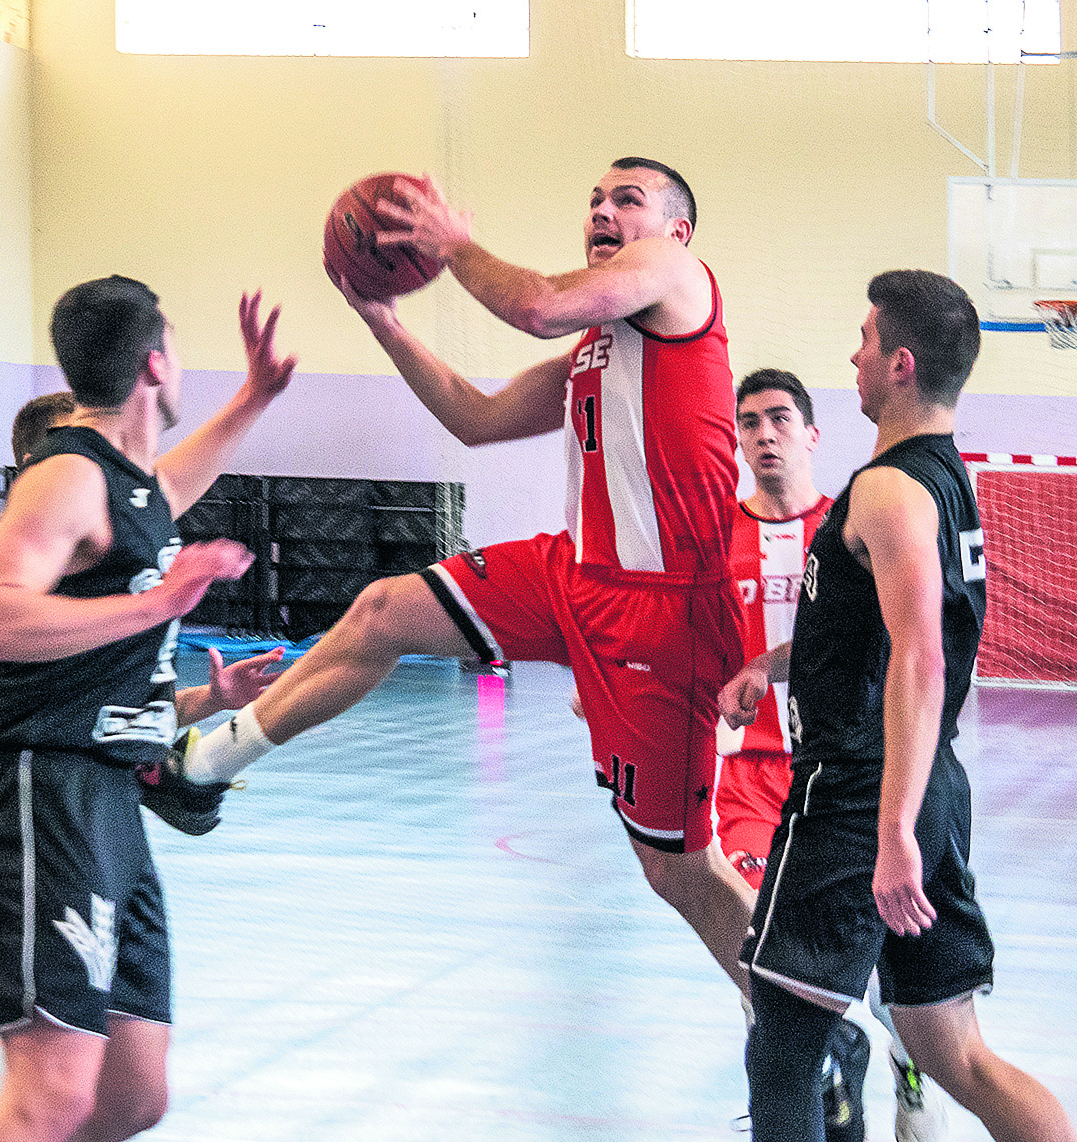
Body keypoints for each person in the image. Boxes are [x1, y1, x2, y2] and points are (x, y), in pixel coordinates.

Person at [174, 158, 758, 1000]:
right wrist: (382, 321)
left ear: (677, 229)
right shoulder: (599, 347)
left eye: (626, 200)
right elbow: (475, 419)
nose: (601, 210)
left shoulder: (677, 274)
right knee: (381, 613)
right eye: (592, 198)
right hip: (573, 573)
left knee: (676, 870)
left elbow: (537, 305)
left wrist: (452, 245)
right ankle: (204, 769)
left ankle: (800, 1023)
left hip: (664, 611)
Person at [0, 392, 283, 1141]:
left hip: (48, 797)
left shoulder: (108, 563)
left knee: (125, 1097)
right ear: (48, 468)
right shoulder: (16, 565)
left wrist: (206, 699)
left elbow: (104, 709)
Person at [720, 270, 1077, 1142]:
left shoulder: (887, 490)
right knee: (953, 1054)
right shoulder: (944, 482)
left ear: (902, 364)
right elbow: (877, 636)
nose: (855, 353)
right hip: (923, 788)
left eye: (867, 340)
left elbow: (919, 659)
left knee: (782, 1049)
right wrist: (772, 664)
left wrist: (892, 833)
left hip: (858, 798)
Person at [0, 276, 297, 1142]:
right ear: (155, 361)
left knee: (133, 1097)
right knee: (50, 1098)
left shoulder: (130, 484)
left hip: (113, 803)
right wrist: (159, 604)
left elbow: (169, 486)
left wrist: (254, 397)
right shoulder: (65, 473)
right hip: (43, 785)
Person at [722, 367, 947, 1142]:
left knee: (878, 966)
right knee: (760, 963)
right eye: (748, 423)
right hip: (750, 780)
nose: (764, 435)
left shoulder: (854, 522)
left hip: (845, 775)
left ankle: (903, 1059)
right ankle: (820, 1073)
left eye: (780, 419)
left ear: (812, 435)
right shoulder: (720, 537)